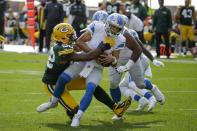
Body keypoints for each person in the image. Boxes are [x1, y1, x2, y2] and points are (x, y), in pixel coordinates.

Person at [37, 13, 135, 127]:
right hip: (82, 62)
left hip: (97, 68)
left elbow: (115, 62)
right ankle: (53, 102)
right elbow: (79, 42)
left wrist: (112, 60)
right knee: (63, 77)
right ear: (107, 23)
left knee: (91, 89)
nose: (114, 29)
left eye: (117, 28)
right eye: (112, 26)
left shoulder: (121, 39)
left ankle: (78, 117)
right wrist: (96, 54)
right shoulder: (97, 27)